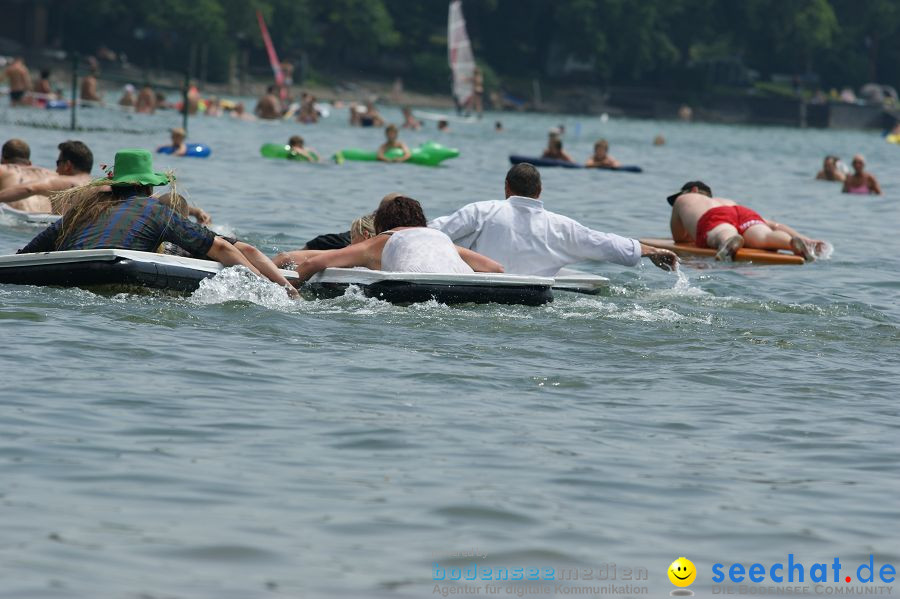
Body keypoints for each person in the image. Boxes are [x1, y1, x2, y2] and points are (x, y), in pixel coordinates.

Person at [17, 149, 297, 297]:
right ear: (150, 188)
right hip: (114, 275)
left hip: (62, 274)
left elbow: (27, 254)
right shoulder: (156, 211)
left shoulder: (83, 209)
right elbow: (223, 249)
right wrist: (269, 287)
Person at [429, 163, 678, 276]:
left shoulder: (481, 210)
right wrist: (650, 251)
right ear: (539, 191)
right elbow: (603, 243)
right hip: (534, 299)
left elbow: (431, 232)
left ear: (507, 188)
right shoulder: (562, 226)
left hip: (482, 291)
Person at [292, 194, 503, 282]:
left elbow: (313, 262)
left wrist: (290, 294)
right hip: (464, 286)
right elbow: (495, 268)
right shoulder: (440, 237)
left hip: (414, 289)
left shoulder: (381, 240)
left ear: (381, 224)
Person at [157, 193, 295, 297]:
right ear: (186, 219)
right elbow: (249, 250)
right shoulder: (196, 239)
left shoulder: (152, 234)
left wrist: (195, 211)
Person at [666, 181, 827, 262]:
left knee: (721, 231)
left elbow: (679, 237)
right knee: (765, 236)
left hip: (714, 216)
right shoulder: (726, 200)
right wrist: (807, 239)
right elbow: (775, 224)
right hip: (742, 212)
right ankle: (790, 242)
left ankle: (727, 240)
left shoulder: (684, 198)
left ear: (693, 190)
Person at [0, 141, 94, 213]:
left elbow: (29, 188)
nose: (56, 171)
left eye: (58, 163)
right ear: (29, 163)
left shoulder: (3, 169)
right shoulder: (100, 185)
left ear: (67, 165)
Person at [273, 213, 376, 267]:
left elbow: (286, 257)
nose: (351, 242)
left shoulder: (349, 254)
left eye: (353, 236)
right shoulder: (385, 253)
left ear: (365, 235)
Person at [0, 139, 55, 213]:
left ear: (2, 160)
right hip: (47, 221)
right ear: (30, 163)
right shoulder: (50, 175)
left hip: (14, 219)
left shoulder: (3, 169)